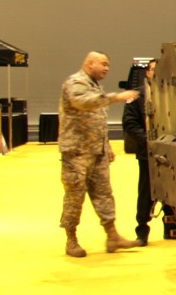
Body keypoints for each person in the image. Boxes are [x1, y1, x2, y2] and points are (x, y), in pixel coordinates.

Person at [59, 51, 141, 258]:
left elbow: (97, 120)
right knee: (75, 197)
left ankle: (112, 236)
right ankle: (71, 240)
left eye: (108, 65)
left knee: (104, 194)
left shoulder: (95, 86)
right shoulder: (75, 82)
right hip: (77, 152)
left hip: (97, 151)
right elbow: (83, 103)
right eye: (103, 64)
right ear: (89, 63)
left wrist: (107, 146)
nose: (106, 69)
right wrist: (115, 97)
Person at [122, 59, 174, 244]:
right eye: (153, 70)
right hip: (147, 152)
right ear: (147, 73)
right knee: (146, 192)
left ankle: (171, 228)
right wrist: (148, 139)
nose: (156, 73)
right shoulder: (136, 96)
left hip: (170, 152)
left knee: (170, 190)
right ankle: (142, 231)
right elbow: (129, 123)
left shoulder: (172, 94)